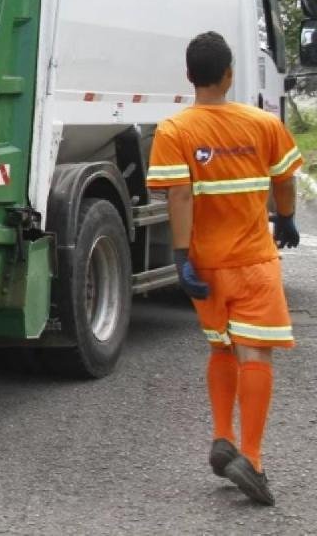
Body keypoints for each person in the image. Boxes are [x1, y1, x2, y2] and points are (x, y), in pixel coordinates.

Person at [146, 31, 301, 506]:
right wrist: (288, 218)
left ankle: (221, 437)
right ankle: (250, 459)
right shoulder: (263, 123)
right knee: (255, 353)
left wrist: (179, 255)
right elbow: (286, 178)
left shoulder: (174, 131)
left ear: (189, 76)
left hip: (206, 266)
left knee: (221, 348)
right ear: (230, 73)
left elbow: (178, 194)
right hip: (253, 261)